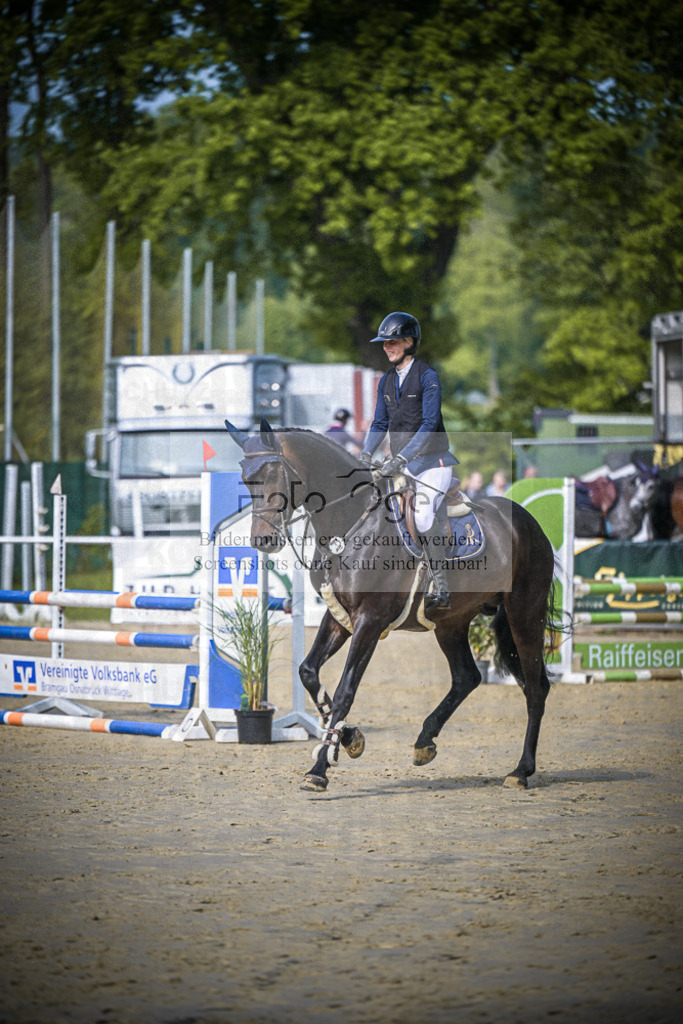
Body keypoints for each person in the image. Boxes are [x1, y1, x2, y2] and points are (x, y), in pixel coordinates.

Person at [359, 311, 458, 612]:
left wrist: (401, 457)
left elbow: (429, 425)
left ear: (410, 342)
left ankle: (441, 585)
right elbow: (379, 423)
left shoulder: (428, 377)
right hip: (401, 465)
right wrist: (365, 454)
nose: (387, 347)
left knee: (424, 517)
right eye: (384, 343)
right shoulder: (386, 381)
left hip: (433, 463)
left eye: (393, 342)